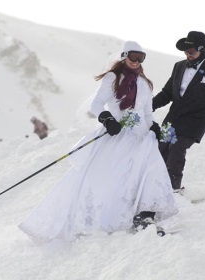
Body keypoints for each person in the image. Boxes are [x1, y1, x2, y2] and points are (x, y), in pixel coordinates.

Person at [18, 41, 178, 242]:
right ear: (124, 56)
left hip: (142, 137)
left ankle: (145, 216)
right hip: (117, 135)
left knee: (150, 172)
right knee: (114, 178)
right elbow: (96, 104)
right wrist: (107, 119)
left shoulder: (145, 84)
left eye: (141, 58)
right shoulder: (113, 78)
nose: (136, 61)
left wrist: (153, 126)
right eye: (133, 56)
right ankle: (107, 216)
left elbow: (146, 112)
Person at [153, 31, 205, 193]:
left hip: (194, 121)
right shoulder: (179, 66)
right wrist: (150, 105)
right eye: (185, 52)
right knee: (161, 150)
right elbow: (168, 93)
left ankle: (173, 191)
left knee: (176, 150)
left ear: (202, 49)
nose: (187, 55)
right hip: (173, 118)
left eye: (191, 51)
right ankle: (155, 189)